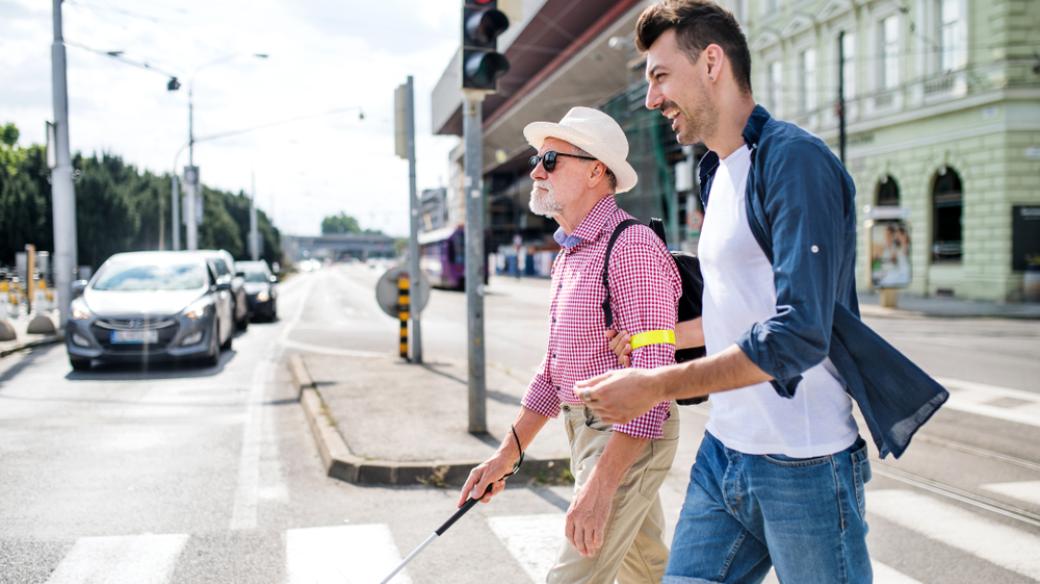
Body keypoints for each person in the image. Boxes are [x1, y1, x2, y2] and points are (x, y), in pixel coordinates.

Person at [576, 2, 948, 583]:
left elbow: (797, 334)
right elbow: (739, 309)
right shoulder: (716, 171)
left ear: (712, 63)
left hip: (804, 463)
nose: (651, 99)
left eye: (660, 76)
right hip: (725, 452)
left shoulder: (796, 162)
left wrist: (653, 385)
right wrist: (657, 338)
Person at [458, 106, 683, 584]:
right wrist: (506, 455)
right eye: (538, 159)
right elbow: (554, 371)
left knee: (572, 578)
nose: (537, 170)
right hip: (586, 432)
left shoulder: (633, 247)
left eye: (551, 160)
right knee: (648, 574)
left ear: (596, 171)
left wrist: (601, 485)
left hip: (625, 435)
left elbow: (653, 380)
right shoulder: (571, 255)